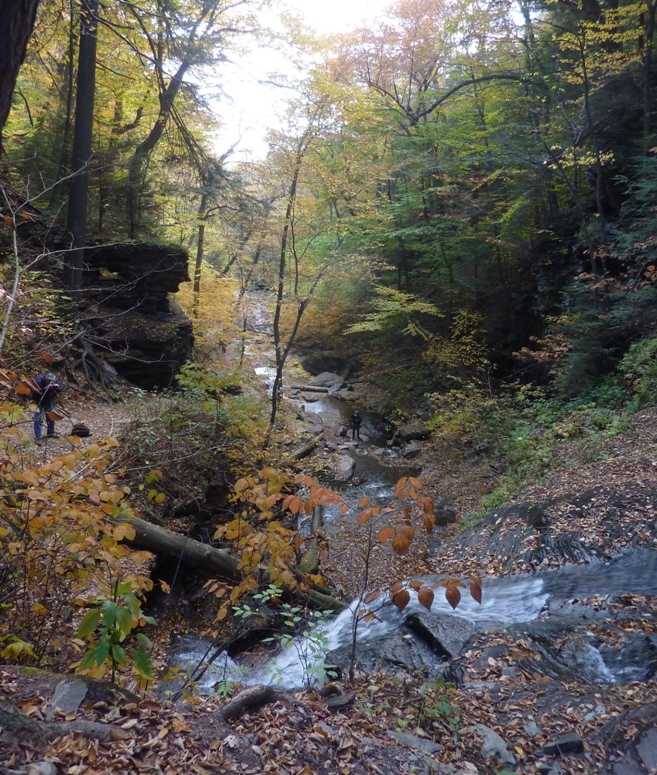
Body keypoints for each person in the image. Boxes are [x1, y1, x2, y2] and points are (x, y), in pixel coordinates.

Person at [32, 372, 61, 440]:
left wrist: (58, 388)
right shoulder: (38, 381)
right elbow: (36, 391)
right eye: (48, 381)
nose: (50, 382)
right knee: (37, 418)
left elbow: (60, 388)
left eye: (51, 381)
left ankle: (50, 433)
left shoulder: (54, 380)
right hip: (38, 401)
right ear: (45, 379)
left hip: (48, 400)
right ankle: (38, 436)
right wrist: (45, 388)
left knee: (51, 416)